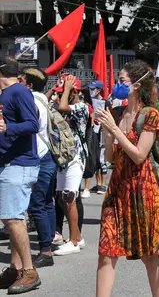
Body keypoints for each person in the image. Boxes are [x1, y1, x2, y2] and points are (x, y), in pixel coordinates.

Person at [95, 61, 159, 297]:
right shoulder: (119, 113)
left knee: (148, 254)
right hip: (117, 190)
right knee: (106, 251)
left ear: (136, 85)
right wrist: (107, 131)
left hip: (142, 191)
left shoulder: (149, 114)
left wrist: (116, 130)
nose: (117, 85)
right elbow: (112, 157)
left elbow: (139, 155)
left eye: (122, 81)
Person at [0, 60, 41, 294]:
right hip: (9, 163)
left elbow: (33, 124)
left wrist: (8, 129)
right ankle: (15, 268)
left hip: (19, 164)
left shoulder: (19, 91)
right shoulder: (8, 93)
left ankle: (29, 271)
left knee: (13, 219)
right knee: (12, 220)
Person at [19, 68, 55, 269]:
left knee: (36, 205)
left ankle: (46, 251)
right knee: (46, 203)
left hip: (39, 157)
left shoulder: (31, 102)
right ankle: (49, 242)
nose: (17, 83)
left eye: (20, 80)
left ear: (29, 85)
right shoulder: (42, 99)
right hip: (47, 155)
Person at [54, 75, 89, 256]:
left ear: (77, 92)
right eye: (61, 94)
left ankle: (73, 241)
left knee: (69, 198)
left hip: (76, 157)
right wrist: (55, 89)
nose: (62, 96)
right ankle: (78, 236)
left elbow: (62, 107)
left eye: (67, 93)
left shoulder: (82, 107)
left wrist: (66, 89)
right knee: (62, 198)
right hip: (63, 158)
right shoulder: (62, 103)